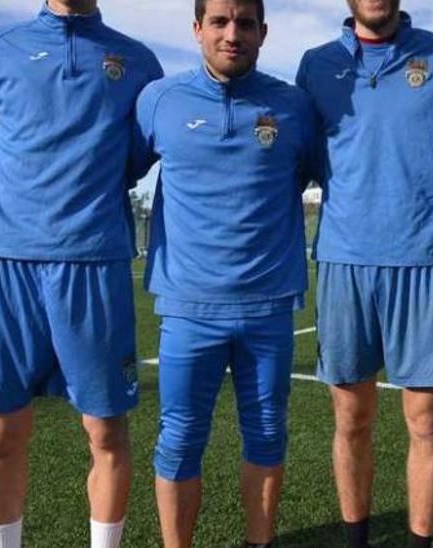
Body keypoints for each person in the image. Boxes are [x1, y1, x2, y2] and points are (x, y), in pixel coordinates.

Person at [0, 1, 162, 547]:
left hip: (92, 263)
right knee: (1, 436)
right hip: (3, 261)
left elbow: (133, 157)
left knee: (105, 432)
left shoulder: (138, 62)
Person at [127, 1, 318, 546]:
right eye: (219, 21)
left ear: (263, 32)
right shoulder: (159, 101)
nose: (232, 34)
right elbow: (119, 169)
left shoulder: (294, 107)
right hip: (188, 307)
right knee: (179, 440)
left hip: (269, 304)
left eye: (245, 23)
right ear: (196, 29)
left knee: (265, 435)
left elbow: (312, 172)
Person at [294, 0, 433, 546]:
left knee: (425, 423)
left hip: (420, 260)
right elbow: (293, 160)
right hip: (343, 262)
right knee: (351, 421)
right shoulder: (316, 64)